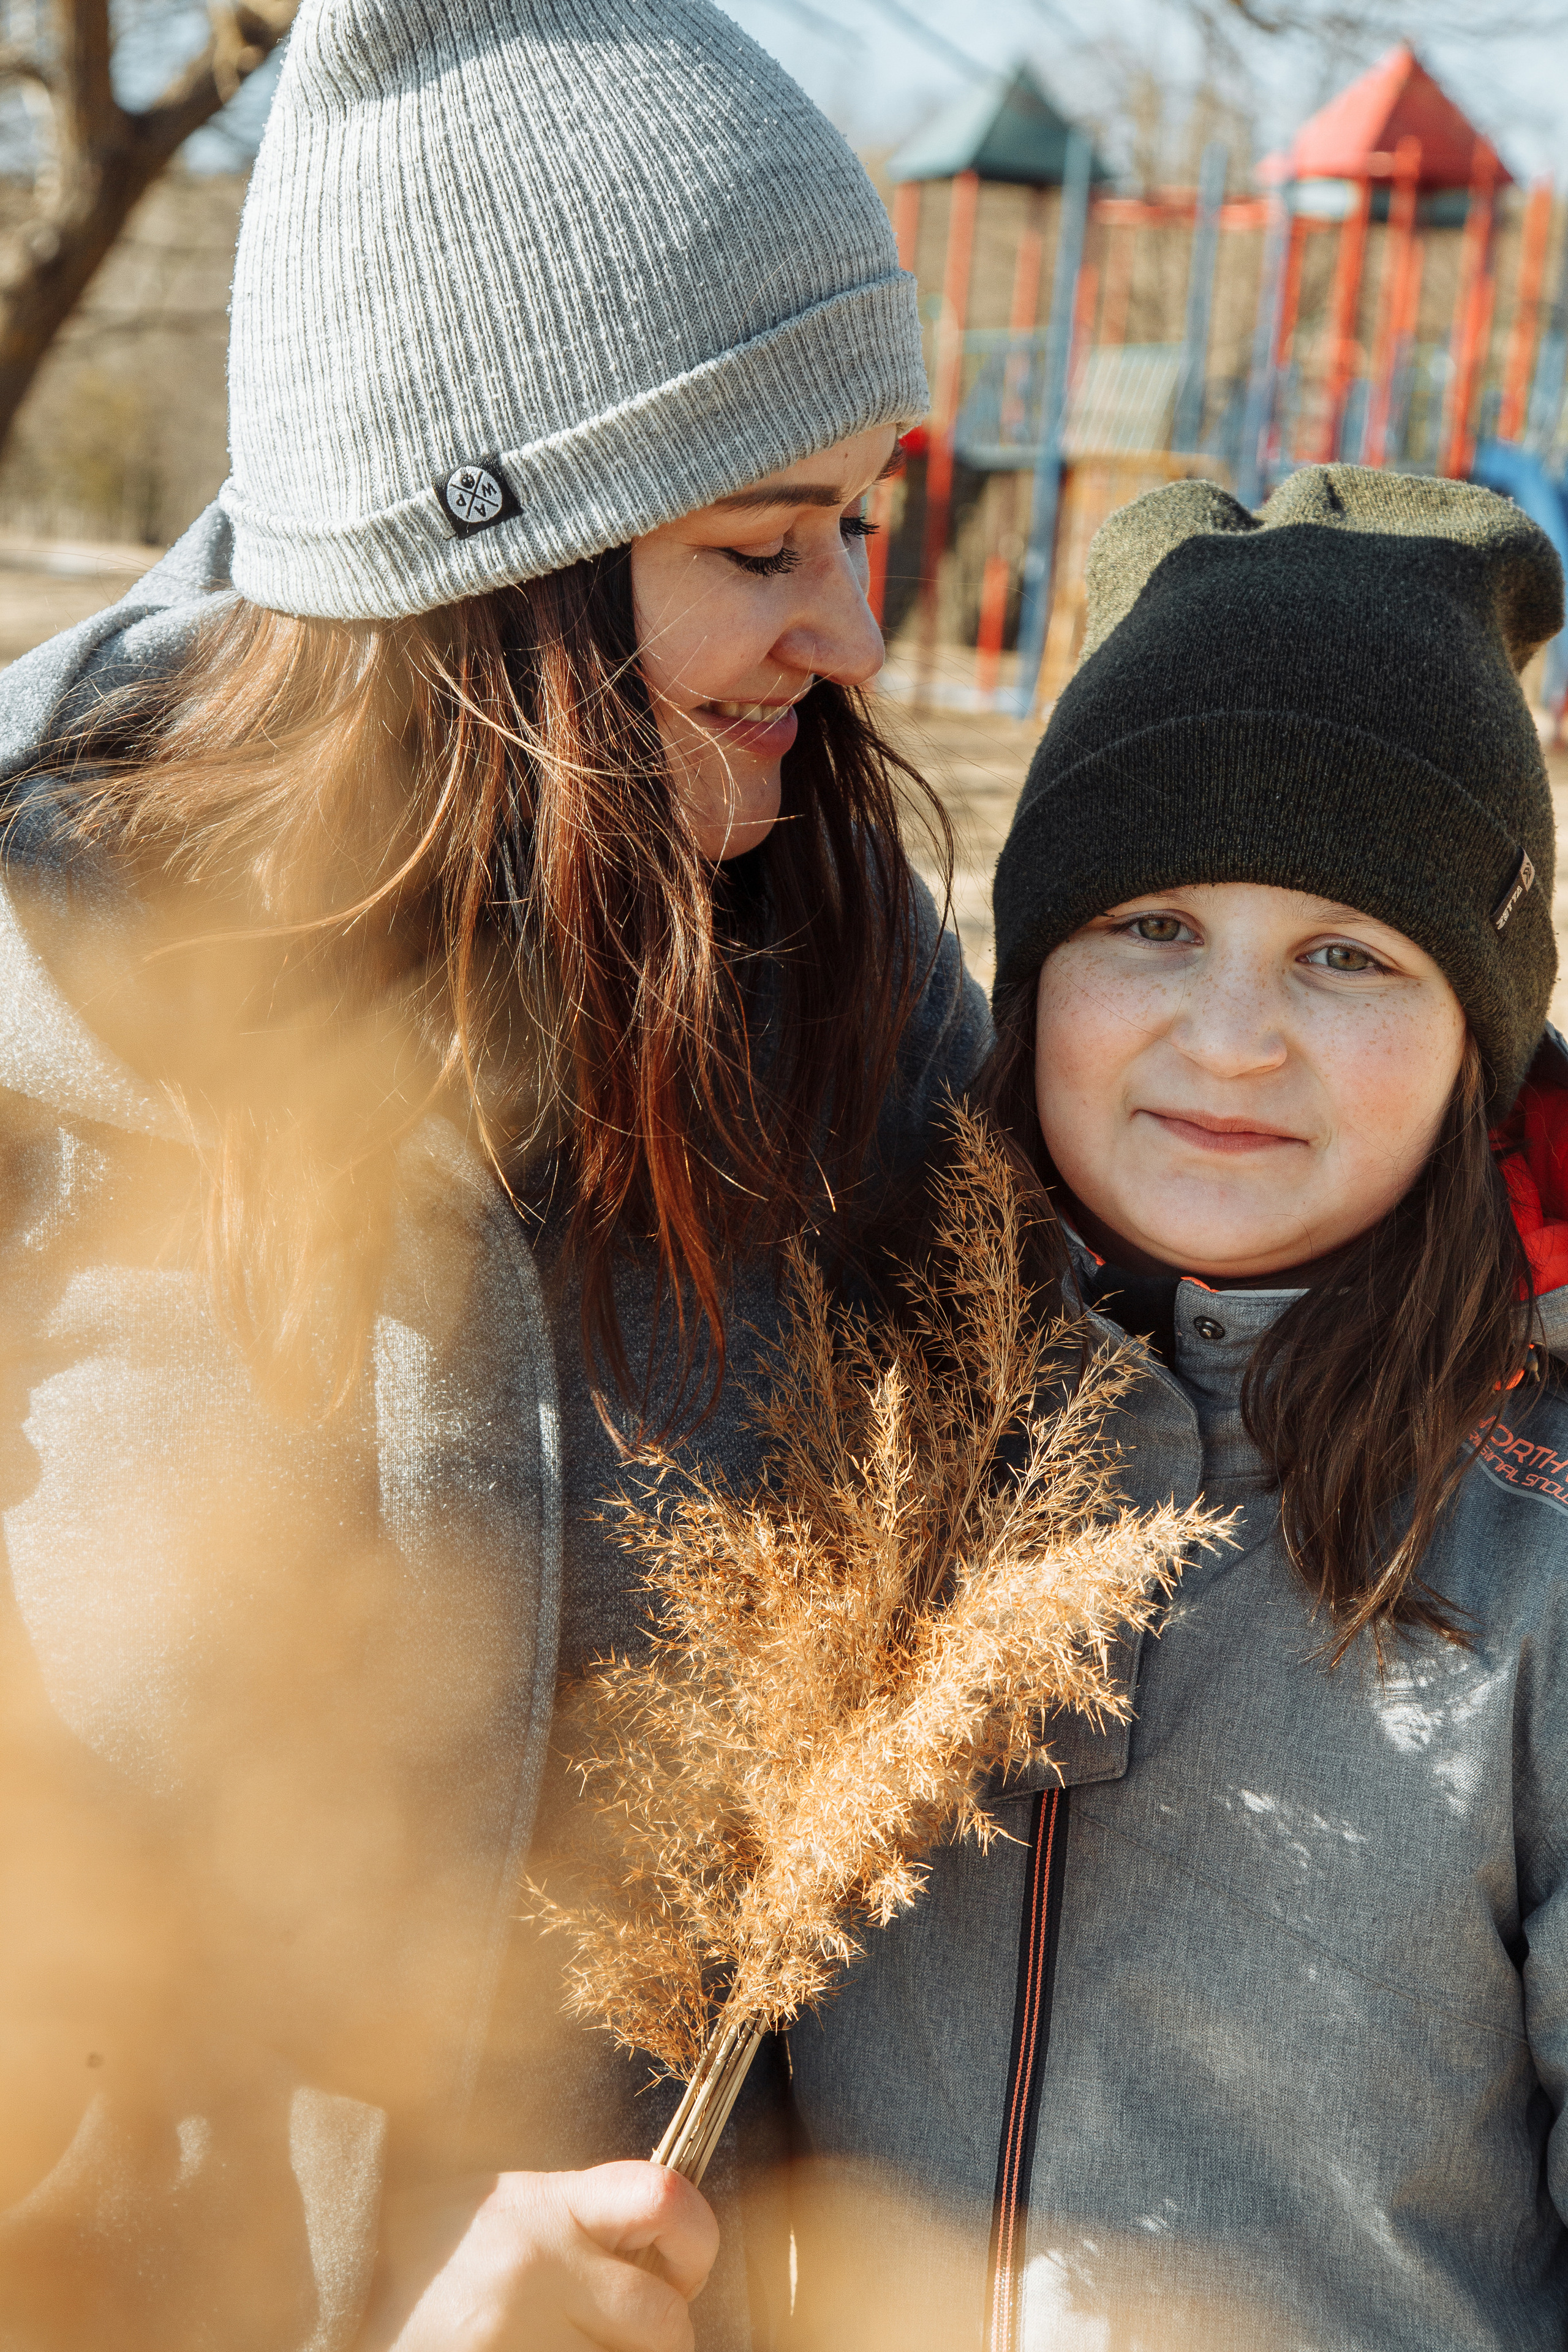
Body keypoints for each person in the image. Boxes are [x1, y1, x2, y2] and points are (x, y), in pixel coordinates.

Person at [0, 4, 987, 2347]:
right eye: (765, 542)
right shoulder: (39, 1034)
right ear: (487, 586)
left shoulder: (854, 992)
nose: (854, 630)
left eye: (862, 520)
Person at [784, 466, 1568, 2352]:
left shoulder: (1536, 1543)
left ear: (1485, 1033)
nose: (1230, 1039)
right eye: (1150, 926)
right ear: (1033, 964)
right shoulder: (839, 1411)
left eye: (1348, 956)